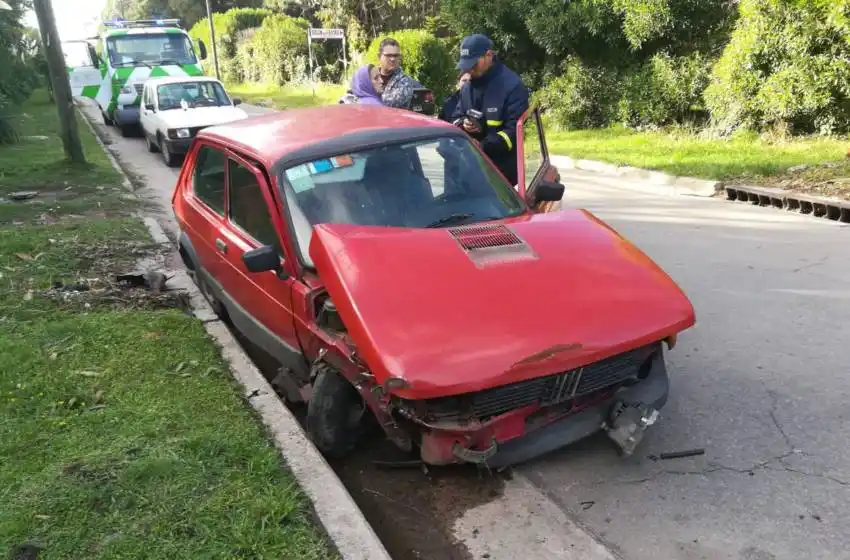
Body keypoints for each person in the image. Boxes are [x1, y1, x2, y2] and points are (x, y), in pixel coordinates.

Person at [450, 34, 529, 186]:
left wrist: (482, 146)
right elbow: (455, 117)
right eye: (466, 64)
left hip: (500, 176)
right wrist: (463, 124)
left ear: (489, 55)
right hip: (468, 172)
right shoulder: (467, 88)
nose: (469, 69)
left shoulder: (512, 87)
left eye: (474, 63)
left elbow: (514, 132)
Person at [375, 38, 418, 109]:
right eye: (388, 55)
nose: (393, 59)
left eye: (396, 55)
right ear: (379, 56)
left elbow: (387, 104)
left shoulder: (405, 82)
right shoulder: (370, 77)